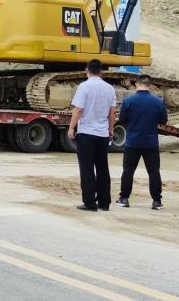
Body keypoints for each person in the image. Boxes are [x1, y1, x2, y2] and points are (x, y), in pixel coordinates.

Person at [68, 59, 117, 211]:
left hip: (87, 133)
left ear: (86, 70)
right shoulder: (109, 88)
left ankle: (90, 202)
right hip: (102, 134)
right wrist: (111, 129)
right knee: (103, 168)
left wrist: (71, 128)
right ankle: (104, 203)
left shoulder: (84, 86)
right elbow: (112, 112)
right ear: (101, 71)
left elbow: (78, 110)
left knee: (87, 169)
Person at [116, 75, 168, 210]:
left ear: (136, 85)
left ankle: (124, 198)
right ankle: (156, 201)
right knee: (154, 172)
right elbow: (163, 121)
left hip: (132, 142)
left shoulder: (128, 101)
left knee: (128, 171)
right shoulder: (158, 101)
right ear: (150, 85)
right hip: (151, 142)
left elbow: (122, 120)